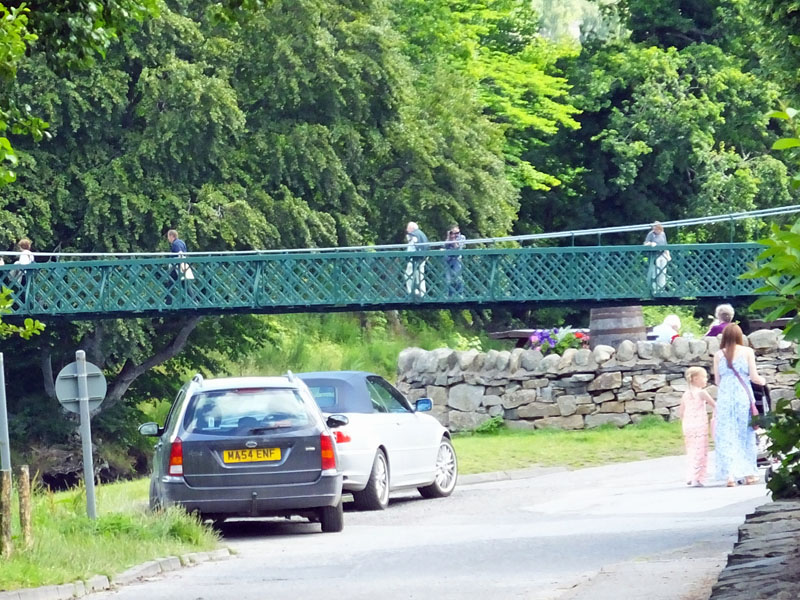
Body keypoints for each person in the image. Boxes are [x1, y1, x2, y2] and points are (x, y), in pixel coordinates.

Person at [713, 323, 765, 487]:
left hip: (725, 397)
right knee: (745, 433)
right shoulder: (747, 352)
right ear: (739, 336)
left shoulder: (718, 355)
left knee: (727, 434)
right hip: (743, 396)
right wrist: (763, 382)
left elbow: (717, 381)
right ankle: (749, 473)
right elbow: (754, 376)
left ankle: (730, 475)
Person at [679, 366, 716, 487]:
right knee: (700, 450)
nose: (706, 379)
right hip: (699, 424)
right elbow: (714, 405)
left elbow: (681, 411)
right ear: (695, 378)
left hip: (688, 425)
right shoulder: (701, 392)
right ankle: (698, 477)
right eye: (704, 377)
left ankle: (690, 475)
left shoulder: (686, 394)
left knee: (691, 450)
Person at [644, 221, 670, 293]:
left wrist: (668, 254)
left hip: (663, 254)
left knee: (663, 272)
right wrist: (651, 243)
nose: (656, 230)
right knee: (655, 272)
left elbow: (665, 245)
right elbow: (645, 243)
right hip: (655, 256)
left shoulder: (663, 234)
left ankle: (661, 289)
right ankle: (654, 290)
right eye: (655, 228)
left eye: (657, 229)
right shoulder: (651, 234)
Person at [405, 222, 428, 297]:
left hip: (415, 258)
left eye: (408, 228)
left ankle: (411, 292)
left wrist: (407, 256)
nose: (407, 230)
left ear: (412, 228)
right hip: (423, 257)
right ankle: (422, 292)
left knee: (408, 274)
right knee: (420, 275)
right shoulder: (422, 234)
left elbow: (412, 247)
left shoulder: (413, 235)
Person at [444, 224, 466, 297]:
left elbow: (458, 248)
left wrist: (453, 240)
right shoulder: (450, 237)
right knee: (448, 279)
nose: (455, 234)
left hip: (457, 259)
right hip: (449, 259)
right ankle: (450, 295)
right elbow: (445, 246)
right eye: (454, 233)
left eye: (457, 233)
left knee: (458, 277)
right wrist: (449, 238)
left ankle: (460, 293)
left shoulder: (462, 237)